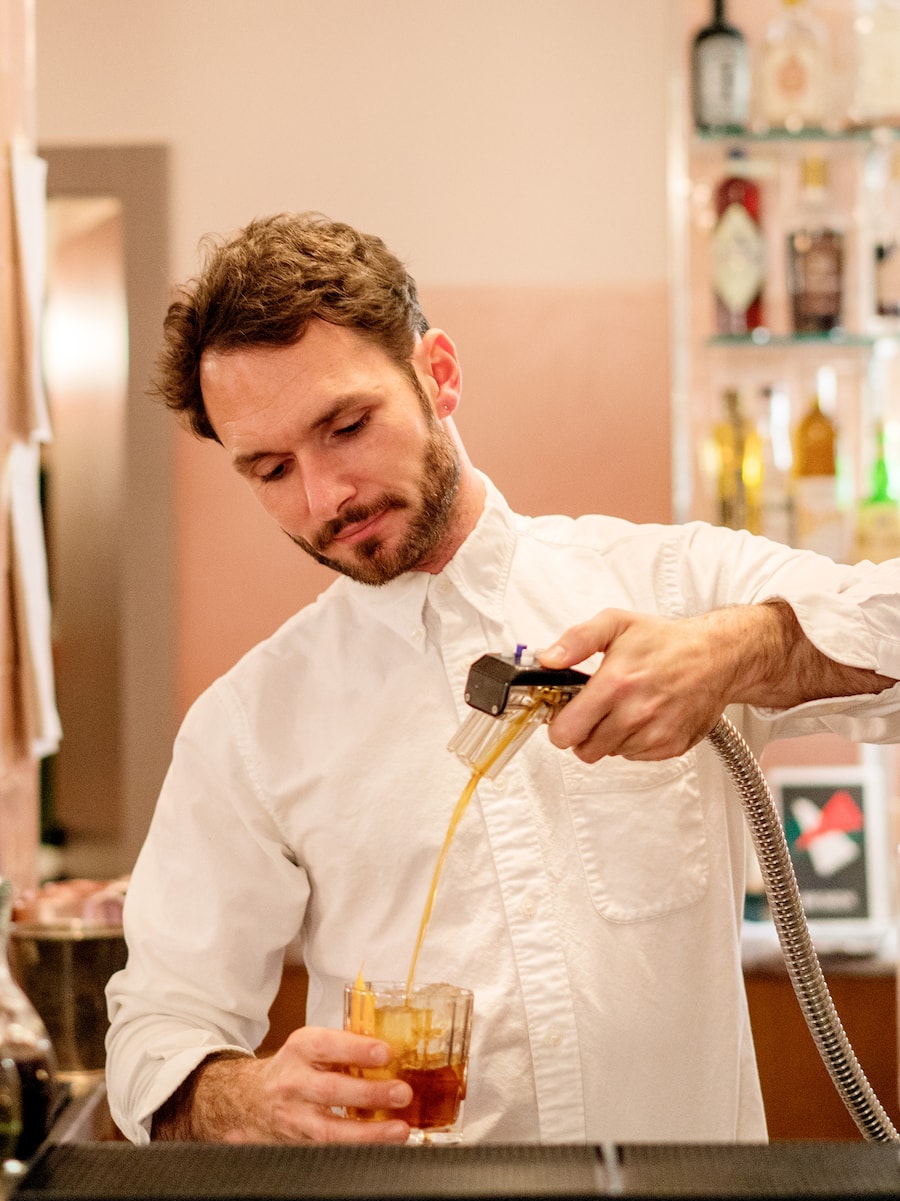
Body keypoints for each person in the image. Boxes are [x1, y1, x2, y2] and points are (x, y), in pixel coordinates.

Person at [106, 212, 900, 1146]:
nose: (326, 497)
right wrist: (243, 1100)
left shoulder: (672, 587)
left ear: (438, 374)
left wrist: (742, 649)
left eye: (347, 426)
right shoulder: (247, 724)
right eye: (272, 469)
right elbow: (157, 1032)